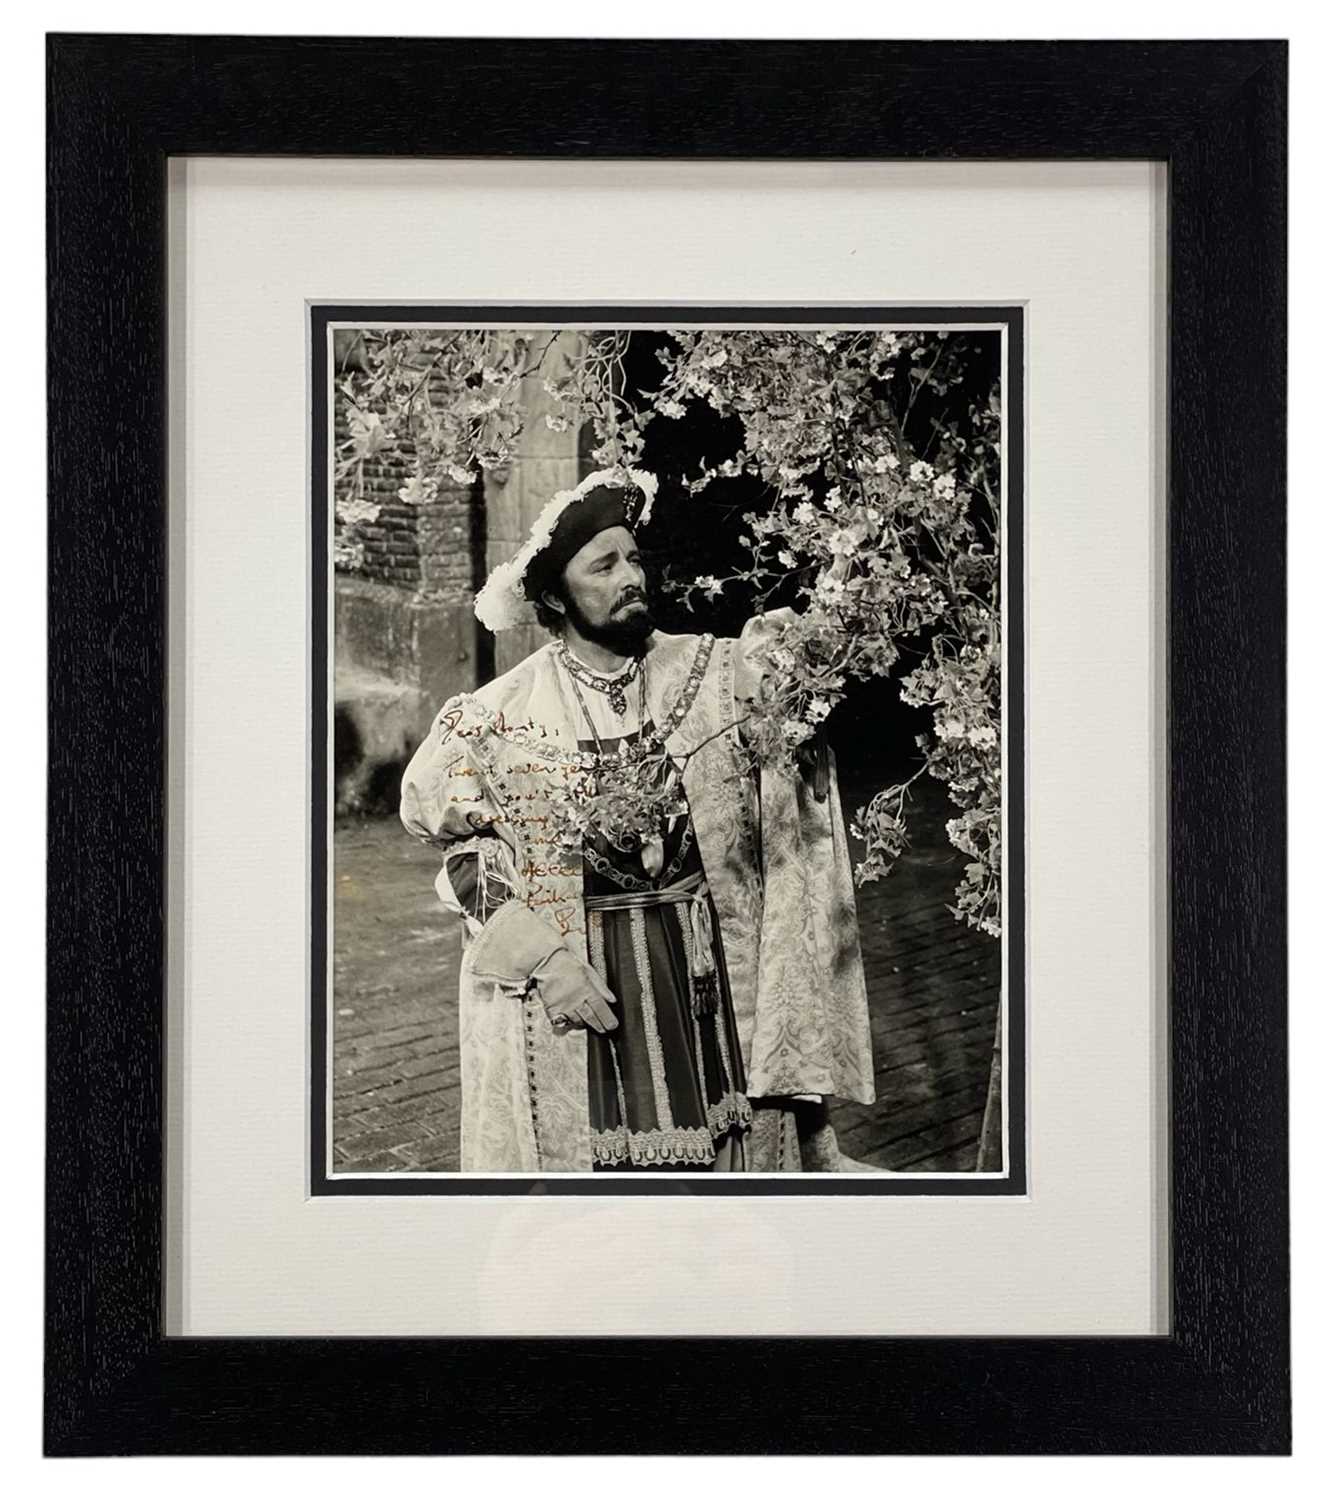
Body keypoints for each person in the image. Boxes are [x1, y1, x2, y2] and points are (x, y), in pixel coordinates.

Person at [400, 467, 875, 1172]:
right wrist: (546, 960)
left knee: (726, 1169)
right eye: (604, 565)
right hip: (589, 977)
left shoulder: (708, 673)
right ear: (557, 596)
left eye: (634, 558)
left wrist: (844, 578)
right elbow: (465, 853)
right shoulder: (501, 714)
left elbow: (796, 681)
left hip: (706, 971)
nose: (631, 577)